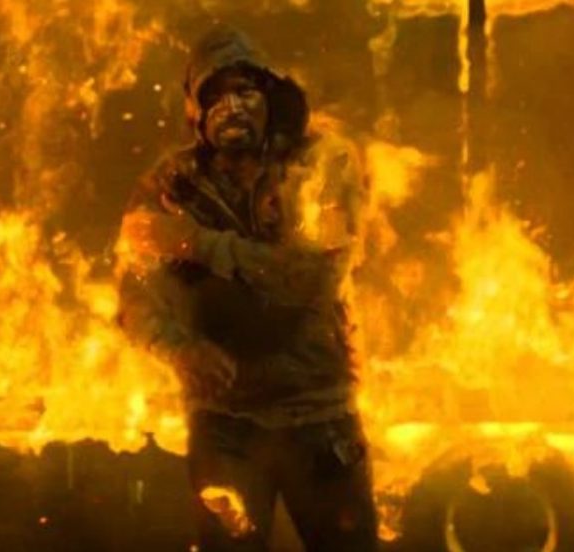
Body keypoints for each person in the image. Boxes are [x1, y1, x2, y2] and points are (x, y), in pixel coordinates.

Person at [117, 24, 377, 552]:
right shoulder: (170, 184)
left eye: (245, 90)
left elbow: (310, 277)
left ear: (270, 97)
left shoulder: (321, 163)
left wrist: (194, 242)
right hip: (225, 428)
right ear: (195, 111)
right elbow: (133, 296)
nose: (232, 107)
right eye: (215, 95)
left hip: (319, 418)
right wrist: (180, 348)